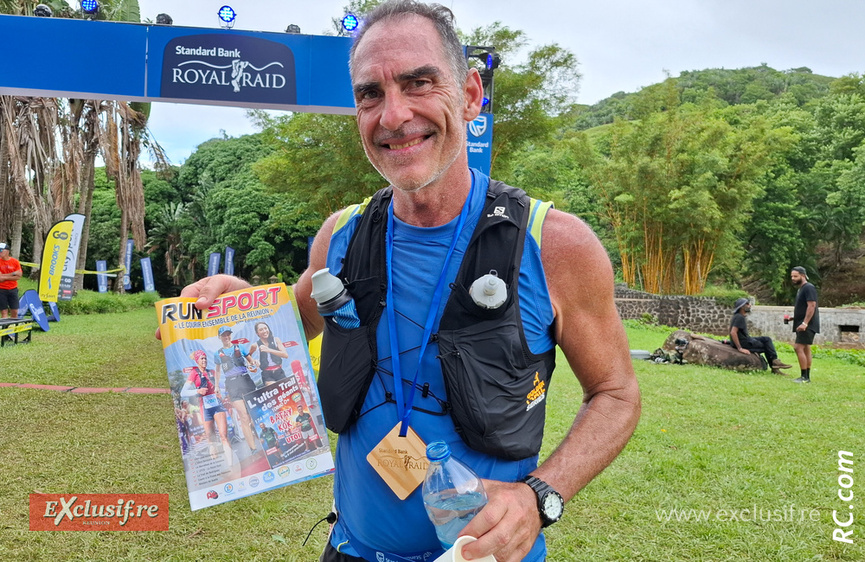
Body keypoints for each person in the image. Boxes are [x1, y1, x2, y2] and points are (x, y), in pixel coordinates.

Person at [161, 2, 640, 560]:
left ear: (469, 94)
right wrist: (240, 301)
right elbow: (297, 318)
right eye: (370, 94)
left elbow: (615, 394)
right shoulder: (338, 236)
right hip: (351, 550)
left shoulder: (554, 244)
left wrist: (540, 498)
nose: (393, 115)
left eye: (419, 82)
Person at [181, 350, 234, 465]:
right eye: (202, 359)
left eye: (205, 358)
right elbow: (183, 392)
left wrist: (222, 391)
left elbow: (221, 388)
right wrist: (198, 391)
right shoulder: (194, 373)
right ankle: (217, 466)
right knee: (211, 440)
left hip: (217, 405)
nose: (204, 360)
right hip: (204, 407)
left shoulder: (212, 372)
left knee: (223, 435)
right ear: (197, 361)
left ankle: (231, 465)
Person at [213, 325, 259, 451]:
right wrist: (216, 386)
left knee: (254, 414)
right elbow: (217, 371)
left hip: (246, 381)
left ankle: (263, 440)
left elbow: (251, 362)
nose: (226, 337)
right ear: (220, 337)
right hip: (232, 385)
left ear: (230, 335)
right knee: (243, 416)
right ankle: (253, 448)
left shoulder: (240, 347)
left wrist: (255, 364)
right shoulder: (217, 354)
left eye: (228, 334)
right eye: (223, 335)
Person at [728, 298, 792, 375]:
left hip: (746, 339)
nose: (750, 305)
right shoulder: (739, 317)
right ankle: (775, 365)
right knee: (767, 346)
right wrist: (740, 348)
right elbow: (733, 332)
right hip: (744, 343)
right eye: (747, 304)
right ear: (742, 307)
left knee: (767, 339)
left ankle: (775, 362)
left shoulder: (738, 316)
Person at [790, 266, 819, 383]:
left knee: (798, 347)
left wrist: (805, 323)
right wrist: (795, 317)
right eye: (792, 276)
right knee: (806, 348)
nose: (793, 278)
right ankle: (806, 377)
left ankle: (804, 377)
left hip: (807, 324)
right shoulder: (801, 289)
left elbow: (812, 305)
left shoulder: (809, 288)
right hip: (802, 322)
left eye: (795, 276)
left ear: (803, 275)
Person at [0, 242, 22, 319]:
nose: (0, 252)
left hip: (13, 289)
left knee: (15, 311)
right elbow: (0, 279)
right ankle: (4, 329)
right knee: (4, 312)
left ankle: (13, 329)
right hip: (1, 289)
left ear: (7, 251)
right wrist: (13, 274)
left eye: (1, 250)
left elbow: (19, 276)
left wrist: (4, 276)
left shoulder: (15, 262)